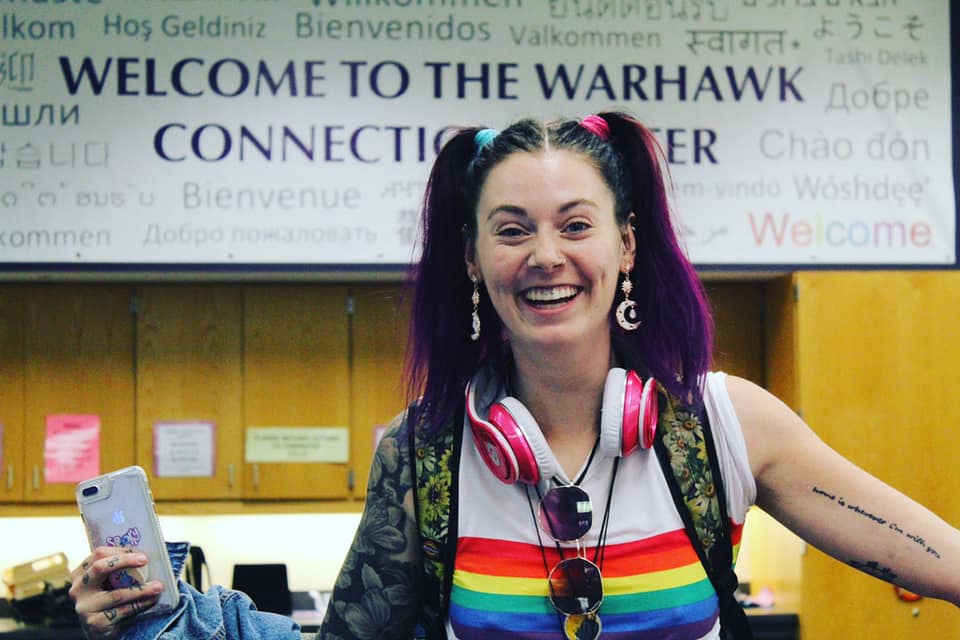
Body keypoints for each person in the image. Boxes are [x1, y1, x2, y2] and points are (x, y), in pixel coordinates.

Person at [69, 112, 960, 640]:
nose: (546, 256)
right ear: (471, 258)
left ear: (626, 245)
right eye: (511, 229)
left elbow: (931, 552)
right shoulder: (421, 453)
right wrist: (169, 612)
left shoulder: (724, 423)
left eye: (576, 224)